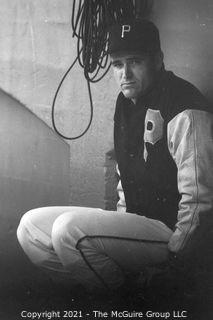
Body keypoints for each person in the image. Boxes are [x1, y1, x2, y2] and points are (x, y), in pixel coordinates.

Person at [17, 19, 213, 293]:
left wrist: (176, 263)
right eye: (117, 65)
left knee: (67, 231)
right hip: (136, 227)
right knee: (30, 228)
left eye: (135, 61)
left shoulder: (184, 105)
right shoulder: (125, 102)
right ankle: (93, 298)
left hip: (167, 235)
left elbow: (200, 202)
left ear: (157, 60)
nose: (125, 74)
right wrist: (117, 233)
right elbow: (125, 180)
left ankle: (123, 305)